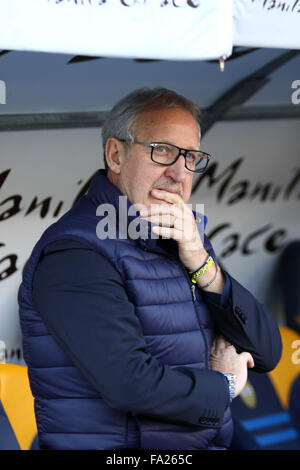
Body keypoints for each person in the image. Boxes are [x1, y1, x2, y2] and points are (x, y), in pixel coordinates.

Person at [18, 87, 282, 450]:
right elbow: (129, 383)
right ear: (116, 155)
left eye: (191, 156)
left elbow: (267, 352)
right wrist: (226, 386)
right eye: (162, 151)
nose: (178, 172)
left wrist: (203, 266)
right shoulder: (75, 251)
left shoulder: (184, 237)